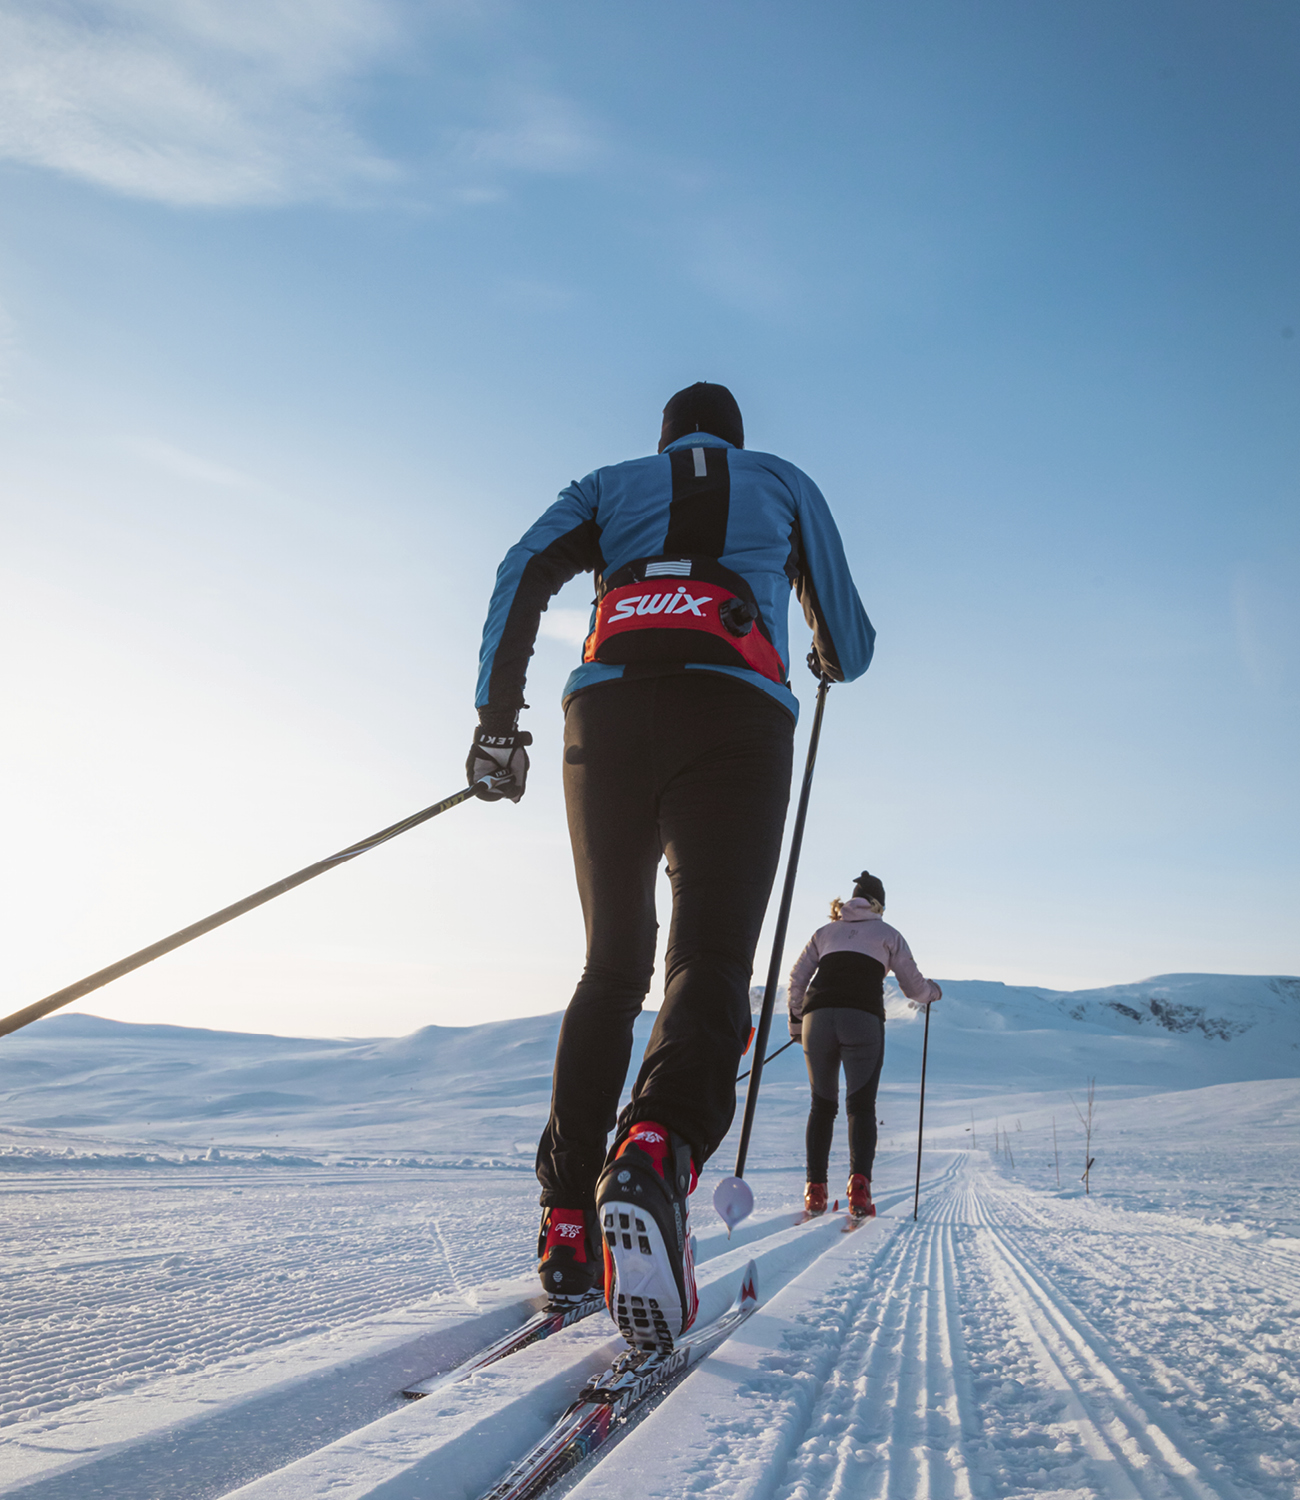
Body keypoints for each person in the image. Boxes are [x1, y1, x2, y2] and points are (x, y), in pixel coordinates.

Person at [467, 382, 874, 1348]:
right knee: (709, 956)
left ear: (664, 438)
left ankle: (567, 1222)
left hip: (603, 714)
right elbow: (849, 647)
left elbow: (522, 568)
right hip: (736, 712)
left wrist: (497, 724)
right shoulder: (780, 480)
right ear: (737, 437)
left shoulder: (608, 484)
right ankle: (656, 1146)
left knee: (611, 965)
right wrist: (817, 646)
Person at [787, 870, 940, 1218]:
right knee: (861, 1106)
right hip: (863, 1019)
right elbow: (914, 988)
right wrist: (934, 992)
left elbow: (797, 978)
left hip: (818, 1019)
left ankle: (815, 1192)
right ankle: (859, 1190)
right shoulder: (889, 935)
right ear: (878, 906)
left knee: (821, 1105)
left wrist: (798, 1023)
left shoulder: (823, 933)